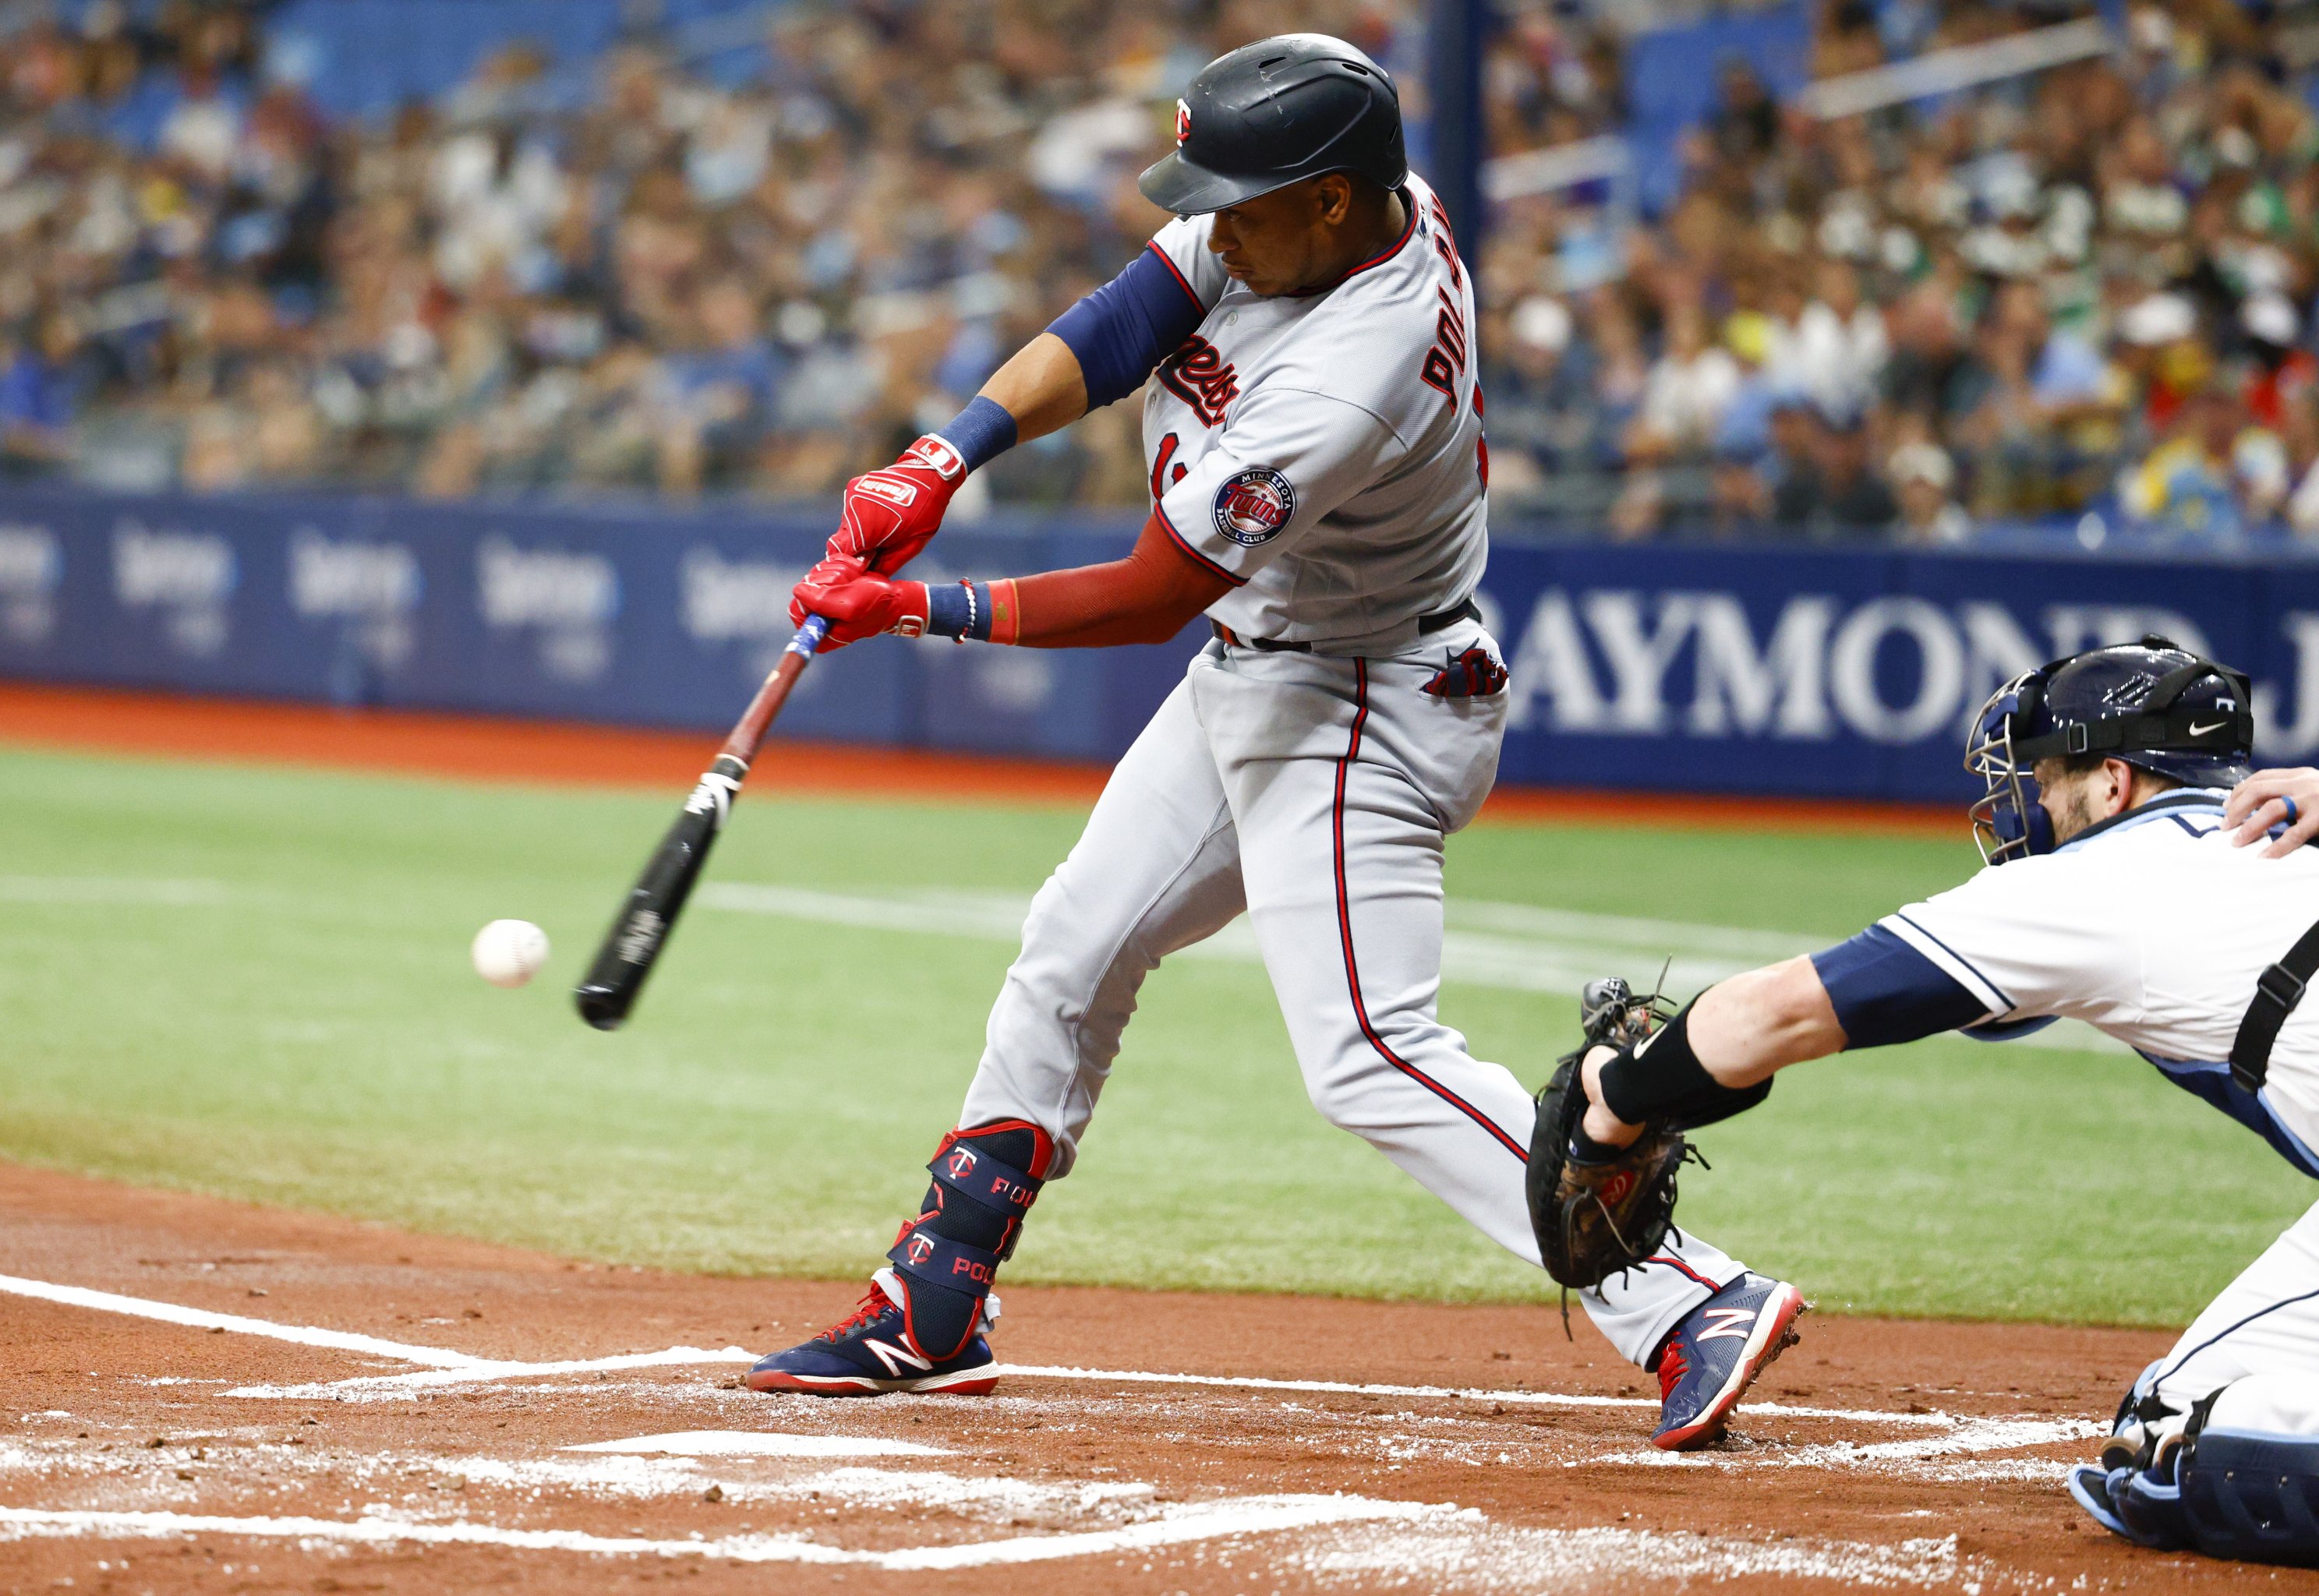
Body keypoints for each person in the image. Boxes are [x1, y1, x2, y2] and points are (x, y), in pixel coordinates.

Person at [748, 34, 1805, 1452]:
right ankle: (934, 1300)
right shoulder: (1328, 212)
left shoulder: (1352, 371)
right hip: (1272, 663)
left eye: (1244, 204)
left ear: (1328, 200)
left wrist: (917, 604)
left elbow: (1146, 597)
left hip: (1366, 692)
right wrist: (945, 454)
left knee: (1367, 1048)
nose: (1216, 228)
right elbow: (1130, 314)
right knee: (1076, 941)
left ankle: (1684, 1295)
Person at [1565, 635, 2319, 1566]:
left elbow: (1775, 1012)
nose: (2033, 800)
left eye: (2048, 773)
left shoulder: (2088, 883)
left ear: (2113, 781)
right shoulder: (2286, 835)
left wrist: (1618, 1096)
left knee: (2173, 1440)